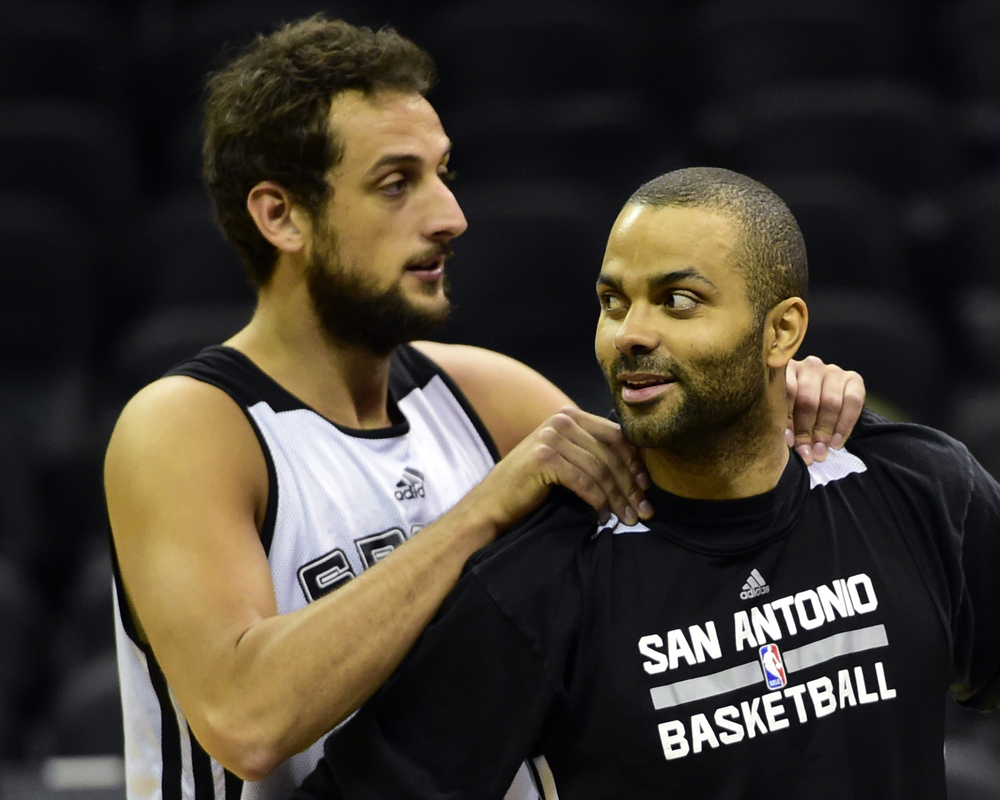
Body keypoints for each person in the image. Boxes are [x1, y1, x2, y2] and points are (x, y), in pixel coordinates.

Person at [103, 18, 865, 800]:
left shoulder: (486, 394)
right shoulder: (190, 426)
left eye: (443, 173)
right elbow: (244, 719)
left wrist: (783, 404)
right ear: (281, 216)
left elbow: (698, 546)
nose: (449, 216)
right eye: (396, 183)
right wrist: (480, 514)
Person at [294, 167, 1000, 800]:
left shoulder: (918, 488)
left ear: (782, 332)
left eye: (679, 301)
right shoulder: (543, 575)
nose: (631, 333)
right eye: (612, 300)